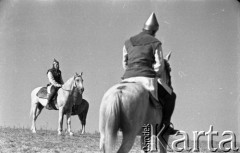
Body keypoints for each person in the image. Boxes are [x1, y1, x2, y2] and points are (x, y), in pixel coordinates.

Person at [122, 13, 178, 135]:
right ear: (154, 31)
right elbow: (159, 65)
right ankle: (165, 126)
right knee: (171, 96)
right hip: (147, 77)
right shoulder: (155, 42)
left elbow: (124, 62)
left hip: (127, 78)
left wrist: (130, 72)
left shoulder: (128, 42)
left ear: (143, 28)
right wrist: (155, 74)